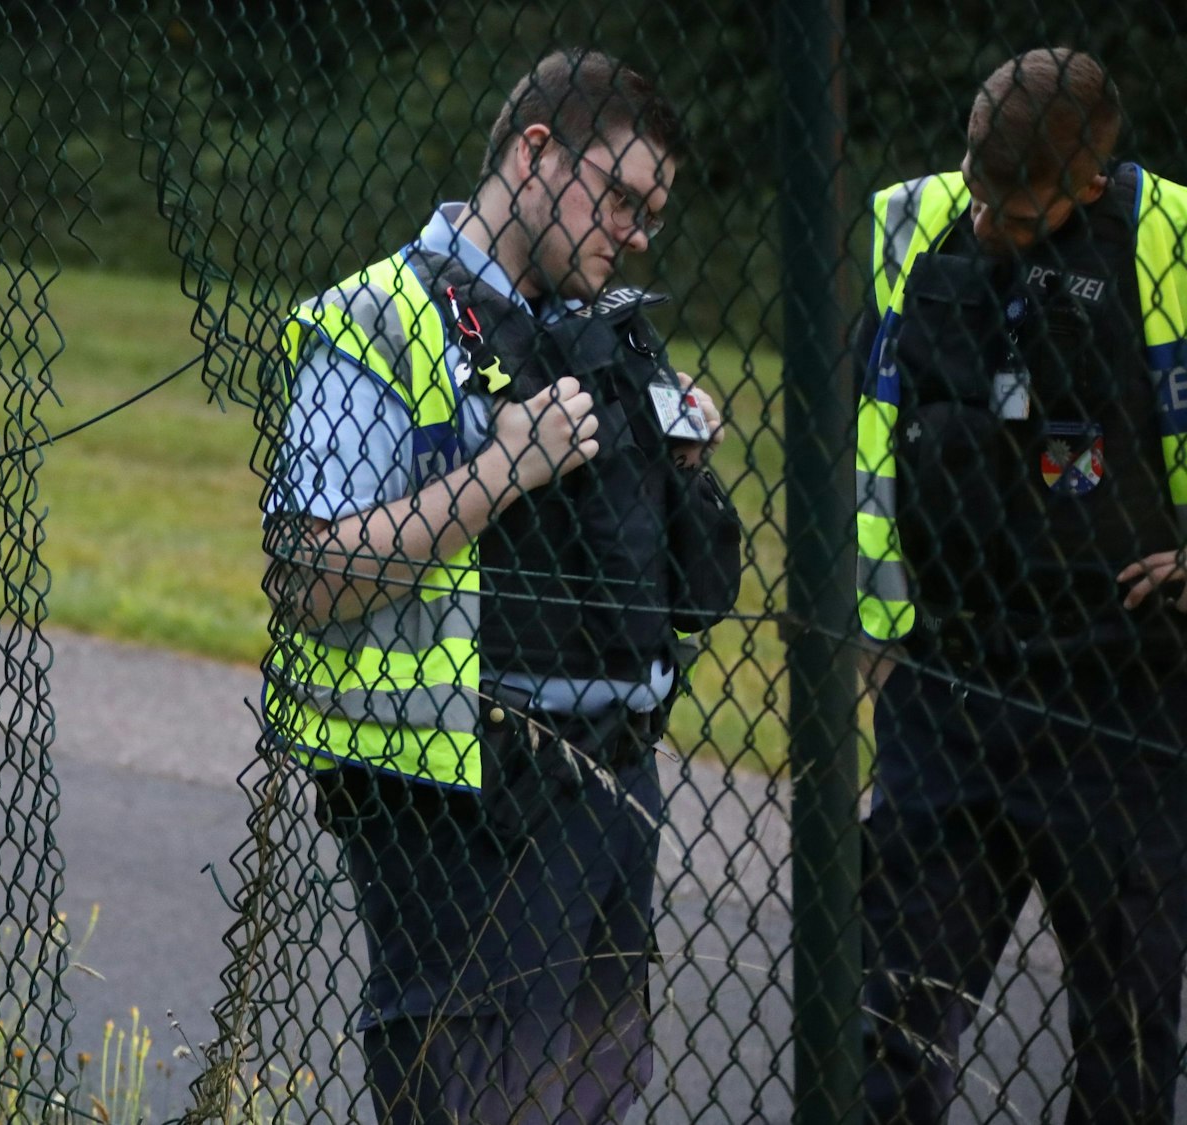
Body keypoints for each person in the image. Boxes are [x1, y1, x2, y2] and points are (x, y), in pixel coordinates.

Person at [259, 48, 742, 1123]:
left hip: (614, 781)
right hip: (456, 797)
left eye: (651, 213)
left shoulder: (609, 330)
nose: (633, 232)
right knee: (473, 1097)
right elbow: (306, 574)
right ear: (533, 154)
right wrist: (501, 473)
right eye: (618, 195)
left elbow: (685, 590)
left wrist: (679, 473)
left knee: (587, 1097)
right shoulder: (375, 318)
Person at [854, 48, 1187, 1124]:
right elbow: (863, 429)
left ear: (1089, 182)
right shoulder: (909, 222)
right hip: (946, 684)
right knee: (891, 1028)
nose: (988, 224)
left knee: (1124, 1039)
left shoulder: (1167, 236)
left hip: (1119, 694)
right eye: (978, 192)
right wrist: (871, 624)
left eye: (1019, 210)